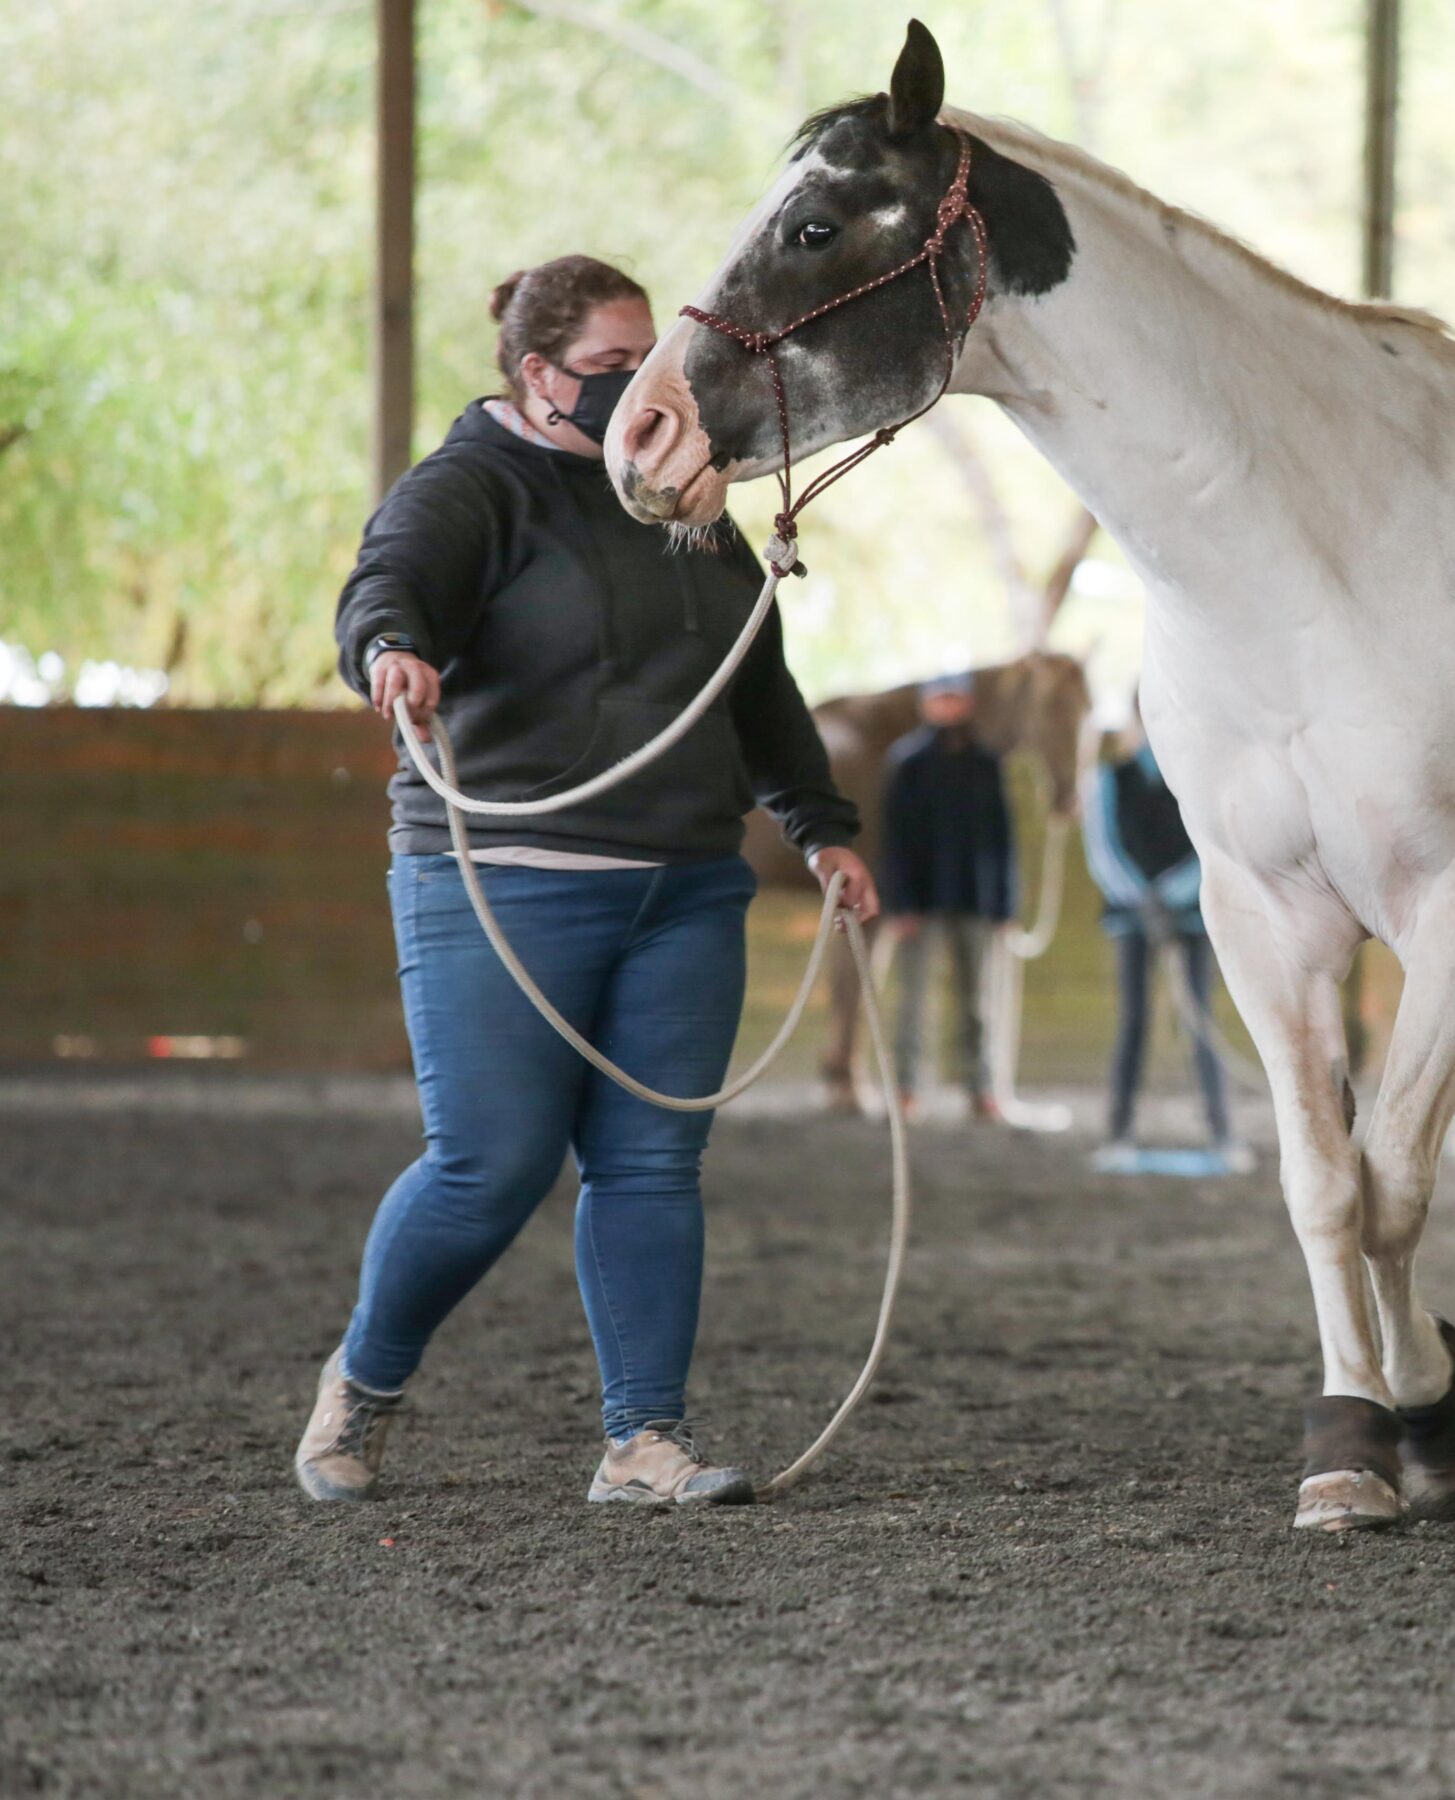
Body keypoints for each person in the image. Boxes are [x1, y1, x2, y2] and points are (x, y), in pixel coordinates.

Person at [298, 254, 878, 1508]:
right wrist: (391, 651)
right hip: (506, 877)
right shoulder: (468, 488)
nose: (638, 398)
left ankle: (643, 1440)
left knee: (655, 1166)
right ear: (537, 374)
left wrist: (822, 826)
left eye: (645, 369)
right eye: (611, 373)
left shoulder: (684, 496)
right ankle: (365, 1381)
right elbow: (385, 590)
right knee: (489, 1165)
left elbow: (755, 679)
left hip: (685, 883)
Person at [1082, 697, 1241, 1169]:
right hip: (1130, 917)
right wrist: (1141, 898)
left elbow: (1210, 845)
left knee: (1200, 1018)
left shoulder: (1200, 781)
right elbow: (1103, 850)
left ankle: (1222, 1130)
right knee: (1133, 1020)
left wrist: (1173, 895)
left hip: (1190, 915)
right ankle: (1119, 1127)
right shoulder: (1108, 778)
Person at [879, 671, 1018, 1118]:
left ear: (968, 702)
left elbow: (1002, 839)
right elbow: (894, 841)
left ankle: (981, 1089)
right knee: (913, 1001)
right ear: (926, 705)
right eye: (940, 698)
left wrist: (1004, 904)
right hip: (921, 900)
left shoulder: (986, 763)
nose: (947, 706)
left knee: (978, 1002)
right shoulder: (907, 763)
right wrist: (900, 902)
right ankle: (906, 1088)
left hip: (975, 900)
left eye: (954, 697)